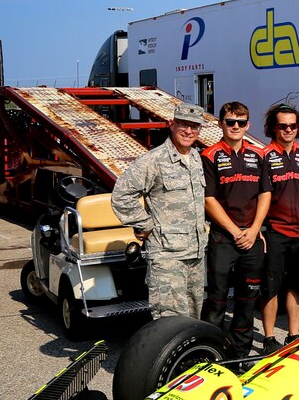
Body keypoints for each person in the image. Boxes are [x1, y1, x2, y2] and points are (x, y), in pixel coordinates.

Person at [111, 102, 208, 319]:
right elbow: (121, 195)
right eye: (183, 124)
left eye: (194, 126)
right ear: (172, 125)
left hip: (196, 253)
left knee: (193, 317)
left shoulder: (196, 158)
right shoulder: (153, 160)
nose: (189, 131)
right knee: (170, 320)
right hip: (167, 256)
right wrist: (145, 224)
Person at [200, 101, 271, 359]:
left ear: (248, 125)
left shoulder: (259, 155)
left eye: (241, 123)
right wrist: (235, 231)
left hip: (252, 237)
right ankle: (212, 354)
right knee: (217, 300)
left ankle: (239, 356)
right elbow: (209, 200)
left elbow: (265, 194)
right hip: (223, 238)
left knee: (246, 301)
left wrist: (253, 230)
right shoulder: (209, 156)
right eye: (230, 122)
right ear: (221, 124)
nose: (236, 127)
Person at [260, 104, 299, 354]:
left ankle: (293, 335)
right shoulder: (264, 155)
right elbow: (258, 197)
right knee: (271, 286)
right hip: (275, 231)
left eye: (293, 126)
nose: (288, 130)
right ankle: (268, 338)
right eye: (282, 126)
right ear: (273, 128)